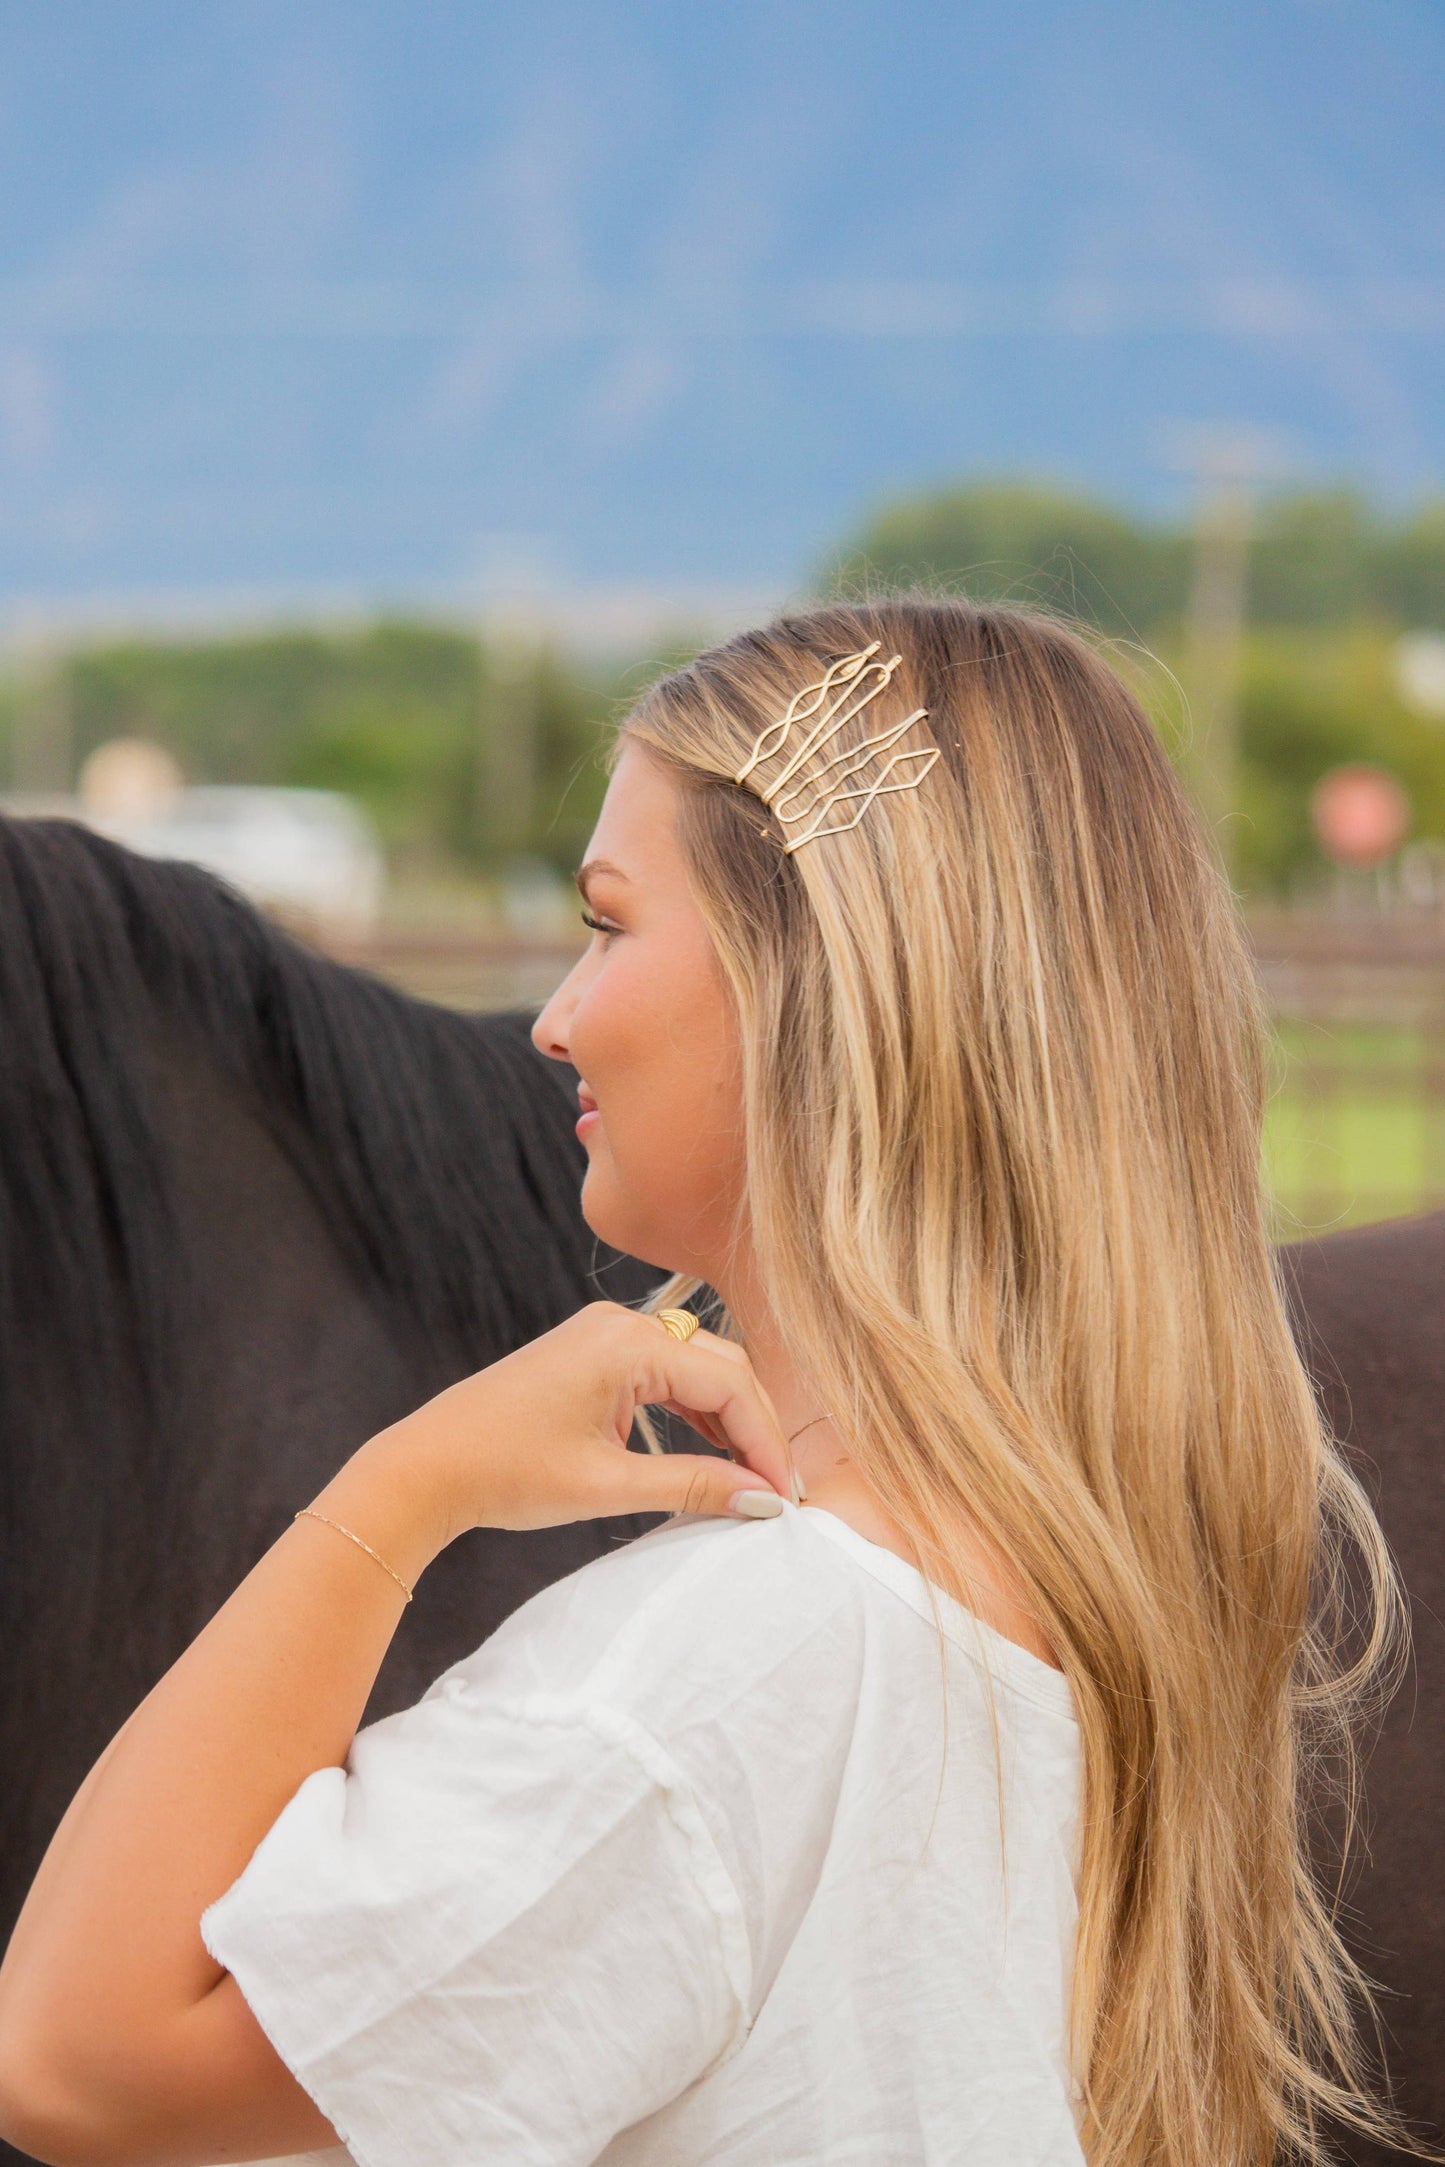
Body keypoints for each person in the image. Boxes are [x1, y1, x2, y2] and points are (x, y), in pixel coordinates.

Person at [0, 600, 1407, 2167]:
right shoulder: (1052, 1605)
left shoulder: (700, 1693)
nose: (553, 1018)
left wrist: (396, 1494)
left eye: (607, 924)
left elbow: (71, 2061)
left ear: (813, 987)